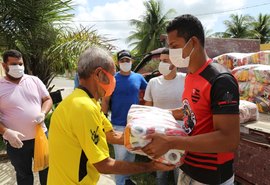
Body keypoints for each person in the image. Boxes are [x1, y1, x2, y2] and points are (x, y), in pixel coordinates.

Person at [47, 46, 174, 185]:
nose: (114, 81)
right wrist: (151, 166)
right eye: (112, 76)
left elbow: (111, 135)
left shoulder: (88, 102)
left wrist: (147, 141)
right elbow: (104, 165)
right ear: (99, 74)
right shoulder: (83, 108)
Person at [142, 14, 240, 185]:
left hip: (211, 176)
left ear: (193, 43)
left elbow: (229, 139)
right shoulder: (190, 76)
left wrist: (171, 141)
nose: (172, 53)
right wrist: (157, 114)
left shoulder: (220, 79)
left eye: (174, 46)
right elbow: (189, 113)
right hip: (188, 168)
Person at [0, 49, 53, 185]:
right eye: (14, 64)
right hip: (16, 142)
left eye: (20, 64)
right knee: (23, 175)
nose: (18, 67)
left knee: (47, 171)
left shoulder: (34, 80)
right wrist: (6, 131)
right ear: (4, 65)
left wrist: (43, 113)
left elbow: (47, 99)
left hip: (40, 136)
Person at [101, 49, 147, 185]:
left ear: (131, 61)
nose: (125, 62)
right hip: (118, 124)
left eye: (127, 60)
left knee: (131, 155)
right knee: (120, 158)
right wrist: (102, 117)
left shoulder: (138, 78)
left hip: (134, 124)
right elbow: (105, 100)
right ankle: (120, 182)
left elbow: (149, 91)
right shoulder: (113, 79)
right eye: (122, 60)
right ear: (117, 63)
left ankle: (126, 180)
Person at [144, 48, 185, 185]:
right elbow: (148, 108)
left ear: (175, 63)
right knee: (160, 173)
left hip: (180, 135)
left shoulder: (185, 80)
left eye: (165, 61)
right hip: (159, 134)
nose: (161, 63)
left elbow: (189, 109)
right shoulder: (153, 82)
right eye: (161, 60)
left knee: (179, 172)